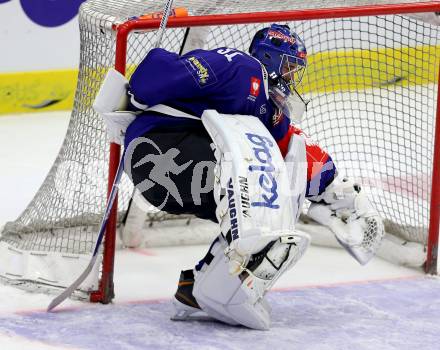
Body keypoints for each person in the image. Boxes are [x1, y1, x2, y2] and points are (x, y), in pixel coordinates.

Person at [94, 24, 384, 330]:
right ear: (269, 58)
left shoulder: (264, 108)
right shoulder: (239, 67)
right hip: (159, 152)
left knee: (276, 205)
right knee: (261, 196)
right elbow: (155, 73)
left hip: (170, 172)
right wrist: (138, 97)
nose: (290, 78)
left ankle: (199, 290)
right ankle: (218, 291)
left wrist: (335, 191)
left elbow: (294, 148)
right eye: (288, 67)